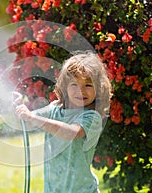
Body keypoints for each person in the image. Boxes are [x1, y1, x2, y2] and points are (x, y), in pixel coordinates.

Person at [14, 50, 112, 193]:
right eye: (74, 84)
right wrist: (19, 109)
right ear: (64, 86)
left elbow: (71, 133)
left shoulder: (91, 117)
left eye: (88, 85)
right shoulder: (54, 108)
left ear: (99, 89)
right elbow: (28, 121)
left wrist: (33, 118)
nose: (81, 91)